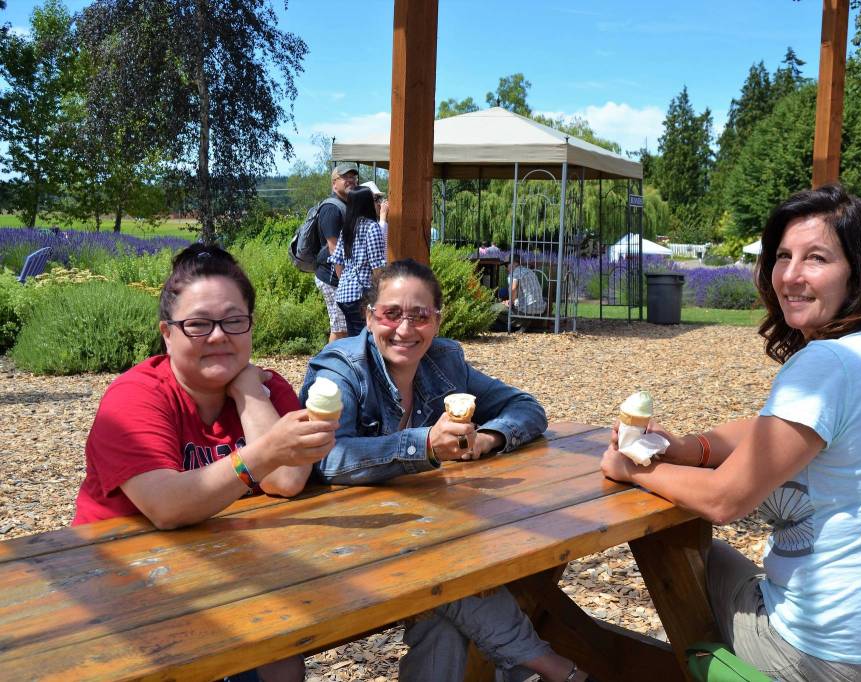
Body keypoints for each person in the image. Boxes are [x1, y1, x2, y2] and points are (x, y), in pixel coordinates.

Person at [601, 185, 861, 682]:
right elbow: (774, 431)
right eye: (783, 256)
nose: (790, 275)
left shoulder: (827, 364)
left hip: (833, 656)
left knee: (677, 544)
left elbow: (726, 501)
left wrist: (635, 468)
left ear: (859, 272)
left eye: (816, 258)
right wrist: (690, 448)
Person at [300, 259, 593, 682]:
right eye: (391, 313)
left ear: (438, 320)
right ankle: (555, 669)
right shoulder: (342, 368)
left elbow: (527, 408)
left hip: (426, 533)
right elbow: (326, 458)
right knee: (454, 575)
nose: (405, 328)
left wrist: (488, 438)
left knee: (444, 614)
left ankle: (551, 671)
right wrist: (422, 445)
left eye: (420, 315)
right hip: (346, 540)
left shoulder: (444, 362)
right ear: (369, 317)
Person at [73, 243, 339, 682]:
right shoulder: (134, 397)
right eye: (198, 324)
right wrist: (265, 450)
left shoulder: (264, 388)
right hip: (117, 582)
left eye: (234, 321)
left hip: (224, 571)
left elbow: (289, 480)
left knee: (283, 653)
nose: (219, 336)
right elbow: (167, 506)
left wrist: (248, 393)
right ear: (167, 333)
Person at [329, 186, 387, 337]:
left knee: (354, 339)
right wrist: (380, 292)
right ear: (367, 203)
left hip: (344, 293)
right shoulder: (371, 228)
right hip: (361, 294)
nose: (379, 203)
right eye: (375, 200)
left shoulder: (347, 228)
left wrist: (347, 280)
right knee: (365, 339)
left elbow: (337, 261)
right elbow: (377, 266)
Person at [316, 163, 359, 342]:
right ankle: (329, 368)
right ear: (334, 184)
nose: (351, 180)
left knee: (345, 327)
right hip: (332, 276)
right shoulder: (332, 208)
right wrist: (345, 282)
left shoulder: (347, 205)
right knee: (340, 329)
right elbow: (334, 249)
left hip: (340, 275)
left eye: (353, 177)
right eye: (345, 177)